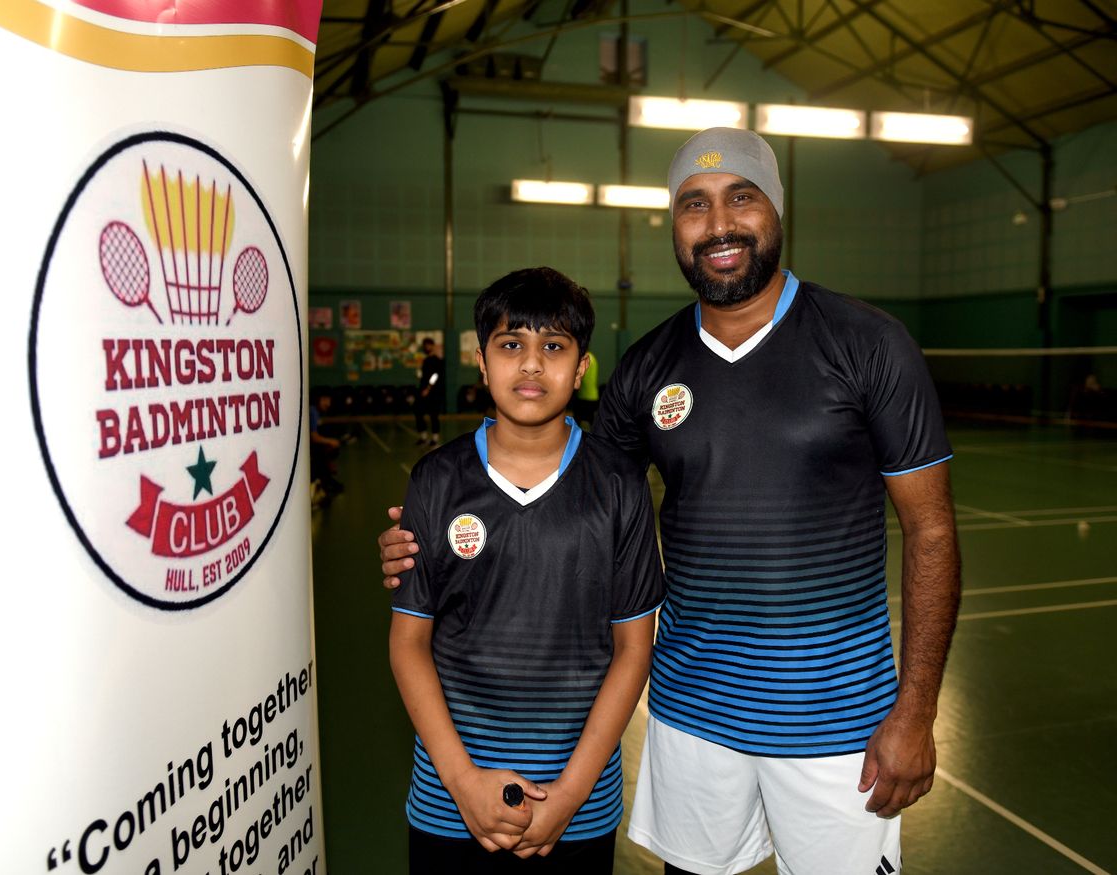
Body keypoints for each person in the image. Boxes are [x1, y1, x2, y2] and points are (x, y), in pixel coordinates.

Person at [380, 128, 961, 875]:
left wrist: (915, 711)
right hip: (692, 715)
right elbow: (570, 496)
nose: (718, 224)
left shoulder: (869, 343)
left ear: (776, 212)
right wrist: (417, 538)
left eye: (741, 197)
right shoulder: (647, 368)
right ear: (674, 226)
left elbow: (933, 529)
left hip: (837, 717)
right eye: (694, 204)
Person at [389, 267, 665, 874]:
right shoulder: (436, 479)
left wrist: (568, 795)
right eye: (511, 345)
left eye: (554, 347)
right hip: (448, 802)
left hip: (577, 807)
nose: (532, 365)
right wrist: (461, 781)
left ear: (583, 366)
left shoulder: (619, 484)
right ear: (482, 364)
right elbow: (408, 643)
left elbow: (633, 652)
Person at [309, 392, 343, 506]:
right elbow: (314, 438)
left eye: (329, 400)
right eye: (324, 400)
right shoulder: (312, 412)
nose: (327, 403)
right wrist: (330, 441)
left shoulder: (316, 412)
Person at [414, 337, 445, 446]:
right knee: (419, 413)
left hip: (433, 393)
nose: (426, 347)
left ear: (432, 346)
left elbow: (435, 376)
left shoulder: (437, 361)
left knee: (433, 415)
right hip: (423, 391)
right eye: (425, 345)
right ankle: (423, 437)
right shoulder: (425, 360)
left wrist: (428, 388)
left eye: (428, 345)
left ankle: (435, 438)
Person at [573, 350, 600, 427]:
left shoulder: (584, 359)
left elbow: (580, 378)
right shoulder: (593, 358)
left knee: (576, 424)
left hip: (584, 397)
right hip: (593, 396)